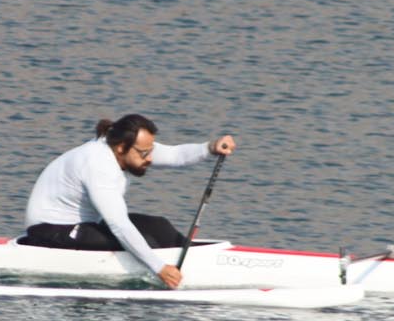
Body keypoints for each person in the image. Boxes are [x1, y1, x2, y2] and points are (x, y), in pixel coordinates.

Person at [22, 114, 237, 288]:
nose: (150, 158)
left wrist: (211, 147)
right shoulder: (98, 165)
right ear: (121, 148)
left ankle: (194, 261)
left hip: (85, 225)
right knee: (144, 243)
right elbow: (120, 225)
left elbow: (174, 155)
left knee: (159, 226)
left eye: (150, 151)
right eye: (144, 154)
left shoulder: (126, 146)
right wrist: (159, 268)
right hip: (50, 231)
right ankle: (168, 271)